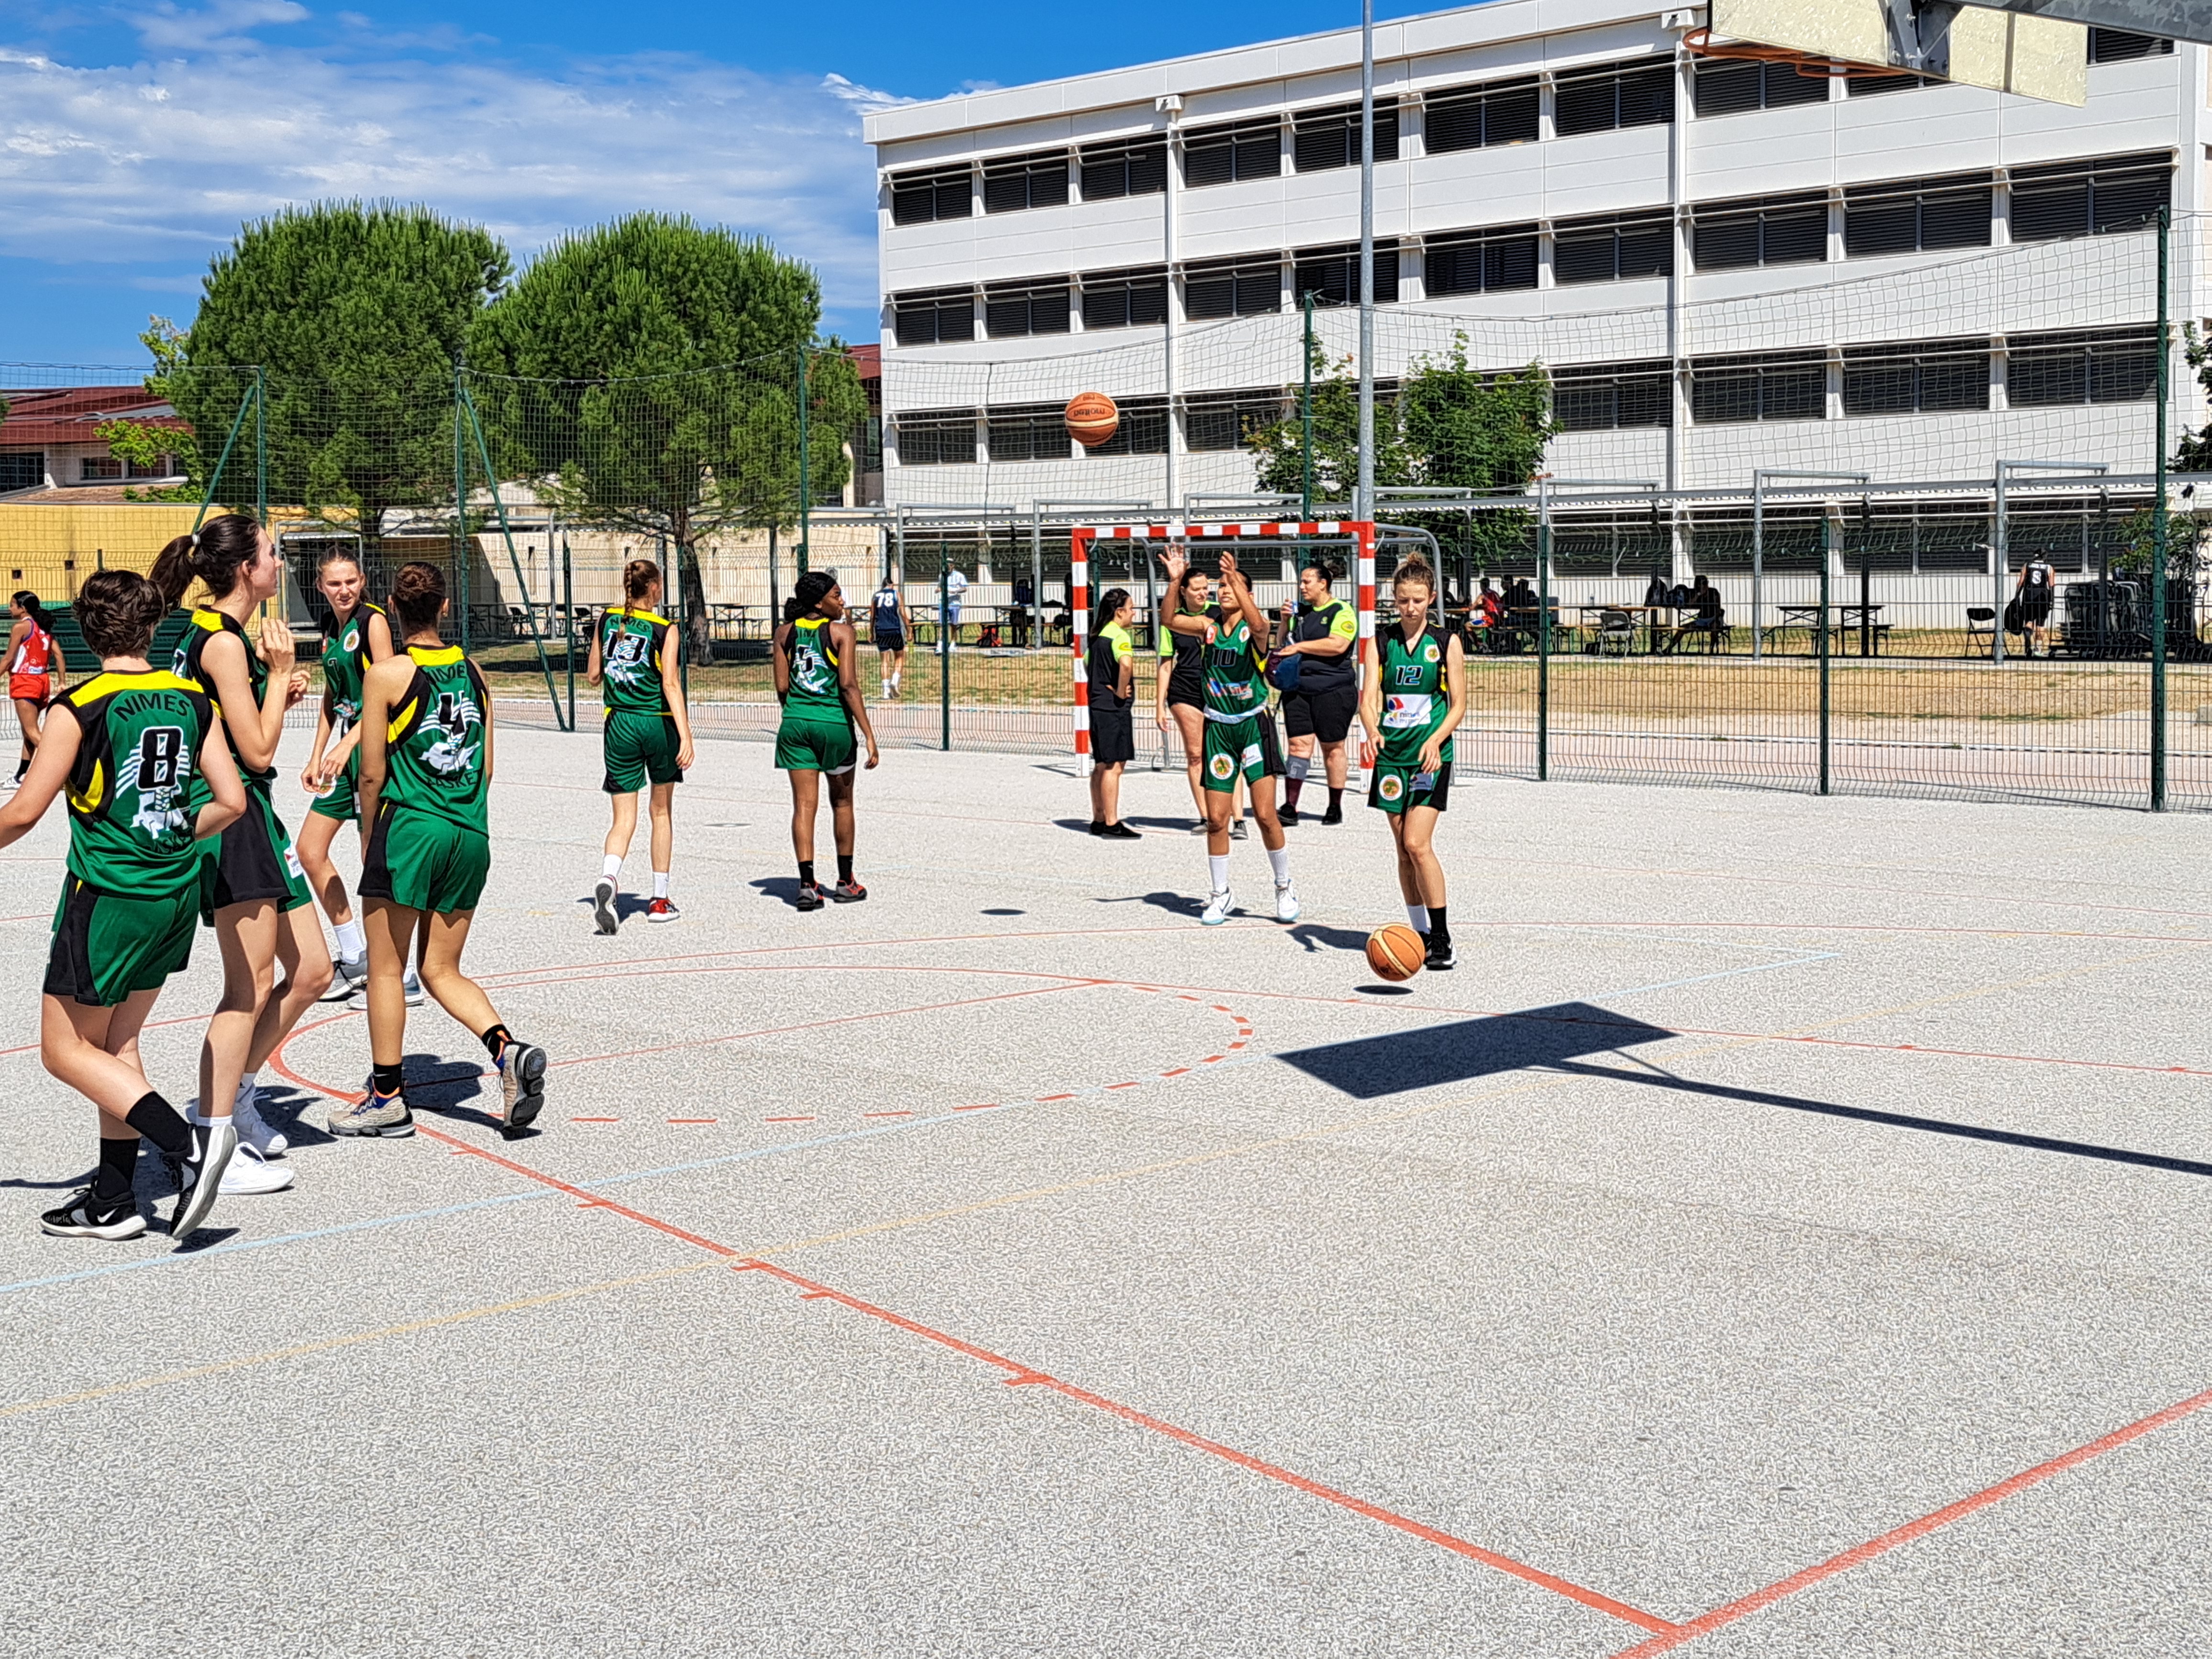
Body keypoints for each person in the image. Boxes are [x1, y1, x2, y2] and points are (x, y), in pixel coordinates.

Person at [2, 570, 248, 1239]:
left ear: (86, 631)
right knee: (116, 1044)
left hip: (110, 895)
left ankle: (188, 1146)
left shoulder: (78, 706)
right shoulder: (191, 698)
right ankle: (113, 1199)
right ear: (152, 627)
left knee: (63, 1051)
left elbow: (23, 812)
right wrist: (171, 828)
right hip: (174, 891)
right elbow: (231, 801)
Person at [154, 515, 332, 1194]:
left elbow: (233, 725)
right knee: (249, 986)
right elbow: (255, 751)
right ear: (244, 570)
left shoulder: (208, 632)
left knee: (312, 970)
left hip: (254, 813)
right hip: (231, 816)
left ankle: (239, 1098)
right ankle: (212, 1139)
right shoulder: (223, 643)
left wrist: (271, 689)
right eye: (271, 554)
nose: (278, 563)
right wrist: (279, 676)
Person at [341, 561, 547, 1138]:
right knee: (441, 968)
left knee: (386, 968)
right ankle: (507, 1051)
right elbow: (487, 767)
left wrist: (369, 836)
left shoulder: (387, 674)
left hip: (411, 829)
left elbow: (371, 772)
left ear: (391, 607)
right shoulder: (475, 672)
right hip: (469, 832)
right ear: (446, 607)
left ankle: (387, 1098)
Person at [296, 552, 417, 1009]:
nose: (344, 589)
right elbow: (333, 695)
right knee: (309, 850)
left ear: (362, 581)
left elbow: (388, 691)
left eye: (350, 581)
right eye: (335, 583)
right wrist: (316, 753)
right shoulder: (331, 628)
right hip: (346, 748)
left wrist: (349, 745)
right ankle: (355, 956)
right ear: (321, 587)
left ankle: (402, 974)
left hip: (373, 750)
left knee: (375, 860)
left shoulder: (374, 622)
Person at [1161, 546, 1297, 927]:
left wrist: (1236, 576)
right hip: (1219, 728)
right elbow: (1168, 618)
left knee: (1265, 815)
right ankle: (1221, 894)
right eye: (1219, 586)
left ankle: (1284, 886)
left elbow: (1261, 627)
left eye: (1229, 586)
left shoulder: (1254, 631)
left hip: (1253, 726)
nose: (1222, 590)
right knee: (1217, 820)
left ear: (1245, 593)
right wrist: (1175, 580)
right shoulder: (1207, 627)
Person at [1358, 556, 1467, 972]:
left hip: (1429, 757)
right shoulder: (1380, 642)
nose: (1410, 608)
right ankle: (1418, 934)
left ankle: (1442, 938)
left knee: (1418, 844)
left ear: (1431, 598)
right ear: (1394, 599)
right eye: (1403, 600)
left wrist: (1436, 740)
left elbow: (1458, 705)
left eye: (1418, 600)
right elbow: (1368, 699)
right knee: (1403, 850)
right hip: (1392, 758)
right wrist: (1372, 729)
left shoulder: (1445, 642)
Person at [586, 560, 697, 933]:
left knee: (623, 818)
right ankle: (660, 900)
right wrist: (686, 734)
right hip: (657, 723)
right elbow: (671, 684)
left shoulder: (607, 620)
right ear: (653, 587)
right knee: (660, 812)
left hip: (619, 723)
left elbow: (593, 675)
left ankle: (609, 877)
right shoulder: (665, 629)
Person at [773, 570, 880, 911]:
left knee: (804, 806)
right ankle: (846, 882)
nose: (842, 601)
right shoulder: (842, 632)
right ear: (820, 603)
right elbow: (848, 685)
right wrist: (869, 734)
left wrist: (797, 712)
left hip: (795, 724)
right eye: (836, 595)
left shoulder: (784, 633)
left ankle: (807, 886)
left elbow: (782, 687)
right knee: (842, 803)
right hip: (833, 725)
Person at [1154, 560, 1246, 838]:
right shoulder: (1174, 620)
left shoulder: (1219, 613)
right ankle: (1208, 818)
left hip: (1218, 689)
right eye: (1197, 588)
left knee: (1228, 753)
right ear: (1183, 591)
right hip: (1186, 689)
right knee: (1196, 755)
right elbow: (1166, 664)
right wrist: (1159, 705)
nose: (1203, 593)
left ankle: (1238, 819)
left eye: (1207, 588)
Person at [1272, 559, 1359, 826]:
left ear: (1323, 584)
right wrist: (1284, 622)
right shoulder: (1300, 612)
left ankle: (1335, 805)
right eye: (1301, 582)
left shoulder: (1341, 610)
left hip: (1332, 689)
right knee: (1298, 746)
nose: (1302, 586)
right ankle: (1290, 805)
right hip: (1298, 689)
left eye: (1307, 582)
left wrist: (1301, 647)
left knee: (1332, 747)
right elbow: (1282, 644)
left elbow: (1338, 645)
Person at [1086, 587, 1140, 838]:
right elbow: (1126, 664)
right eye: (1131, 609)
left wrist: (1100, 683)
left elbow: (1086, 662)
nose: (1133, 613)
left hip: (1097, 705)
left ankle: (1098, 818)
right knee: (1114, 766)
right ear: (1119, 612)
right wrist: (1120, 691)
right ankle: (1111, 822)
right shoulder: (1119, 636)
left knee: (1100, 764)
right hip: (1113, 708)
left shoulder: (1097, 636)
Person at [6, 591, 65, 787]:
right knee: (28, 732)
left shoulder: (21, 628)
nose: (10, 608)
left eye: (12, 605)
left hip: (25, 681)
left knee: (32, 732)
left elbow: (8, 659)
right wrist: (62, 681)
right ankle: (21, 776)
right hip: (42, 681)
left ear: (23, 608)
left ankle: (67, 769)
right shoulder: (43, 629)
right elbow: (59, 655)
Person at [870, 572, 910, 697]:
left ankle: (886, 691)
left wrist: (871, 632)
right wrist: (909, 630)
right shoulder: (897, 594)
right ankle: (895, 680)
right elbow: (903, 613)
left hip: (880, 630)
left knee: (884, 661)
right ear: (891, 585)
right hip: (894, 629)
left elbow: (872, 616)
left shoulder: (876, 596)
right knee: (900, 656)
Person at [2016, 552, 2057, 658]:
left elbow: (2021, 582)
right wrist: (2052, 598)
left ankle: (2028, 644)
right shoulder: (2048, 567)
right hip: (2042, 596)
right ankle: (2038, 648)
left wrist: (2017, 596)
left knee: (2029, 621)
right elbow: (2052, 584)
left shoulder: (2027, 565)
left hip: (2028, 596)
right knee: (2040, 623)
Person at [942, 565, 969, 648]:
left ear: (953, 566)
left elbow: (965, 588)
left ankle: (953, 642)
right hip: (944, 603)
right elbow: (939, 587)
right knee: (942, 624)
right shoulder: (942, 576)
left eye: (949, 565)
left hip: (955, 603)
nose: (948, 567)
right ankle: (942, 643)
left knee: (954, 624)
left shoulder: (960, 576)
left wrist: (956, 591)